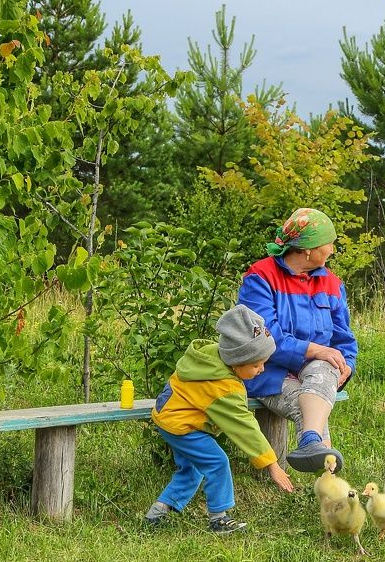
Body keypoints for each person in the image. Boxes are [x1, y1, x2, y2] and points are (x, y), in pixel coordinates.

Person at [144, 304, 295, 534]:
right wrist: (272, 465)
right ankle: (219, 518)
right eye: (256, 365)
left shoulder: (209, 357)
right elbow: (245, 428)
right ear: (236, 361)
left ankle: (159, 512)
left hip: (169, 415)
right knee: (217, 462)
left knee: (193, 468)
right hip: (182, 424)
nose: (262, 369)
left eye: (263, 362)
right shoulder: (223, 388)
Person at [237, 207, 358, 474]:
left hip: (318, 372)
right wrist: (314, 349)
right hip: (266, 372)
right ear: (308, 250)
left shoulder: (332, 284)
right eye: (329, 244)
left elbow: (344, 338)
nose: (333, 250)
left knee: (325, 369)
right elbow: (263, 339)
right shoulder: (260, 277)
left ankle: (310, 442)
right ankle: (328, 486)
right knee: (312, 409)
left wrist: (346, 363)